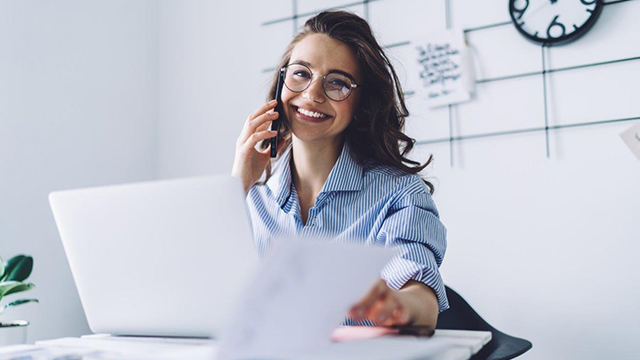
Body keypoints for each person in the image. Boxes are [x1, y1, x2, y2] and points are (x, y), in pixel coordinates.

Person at [232, 10, 447, 328]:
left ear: (361, 104)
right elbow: (198, 292)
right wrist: (238, 184)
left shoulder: (399, 194)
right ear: (281, 81)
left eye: (337, 83)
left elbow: (422, 297)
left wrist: (396, 304)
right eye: (301, 74)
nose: (312, 94)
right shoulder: (250, 198)